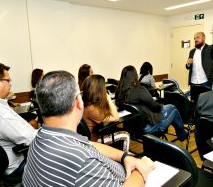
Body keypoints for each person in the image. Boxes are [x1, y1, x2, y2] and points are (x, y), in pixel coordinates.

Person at [22, 70, 155, 187]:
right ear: (79, 102)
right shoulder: (82, 161)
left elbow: (89, 144)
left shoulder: (39, 138)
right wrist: (141, 169)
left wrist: (125, 156)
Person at [115, 65, 187, 140]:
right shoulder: (139, 90)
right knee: (172, 108)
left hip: (132, 129)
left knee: (169, 109)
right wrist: (161, 106)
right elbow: (155, 107)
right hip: (148, 128)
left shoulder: (118, 92)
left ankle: (180, 133)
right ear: (134, 76)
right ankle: (182, 135)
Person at [82, 74, 130, 151]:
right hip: (94, 140)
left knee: (116, 128)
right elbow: (116, 117)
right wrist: (108, 98)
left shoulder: (86, 103)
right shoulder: (92, 109)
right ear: (100, 89)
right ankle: (124, 160)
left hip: (90, 135)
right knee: (125, 134)